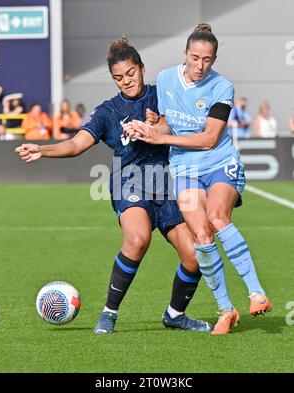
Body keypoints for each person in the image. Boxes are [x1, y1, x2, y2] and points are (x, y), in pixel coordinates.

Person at [15, 36, 213, 335]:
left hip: (169, 183)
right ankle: (109, 314)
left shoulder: (166, 95)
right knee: (137, 239)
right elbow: (76, 143)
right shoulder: (108, 111)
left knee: (195, 255)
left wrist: (160, 124)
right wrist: (43, 149)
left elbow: (191, 127)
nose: (126, 81)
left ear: (142, 69)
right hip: (129, 180)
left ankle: (175, 315)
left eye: (131, 74)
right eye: (118, 77)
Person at [124, 23, 271, 335]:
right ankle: (225, 310)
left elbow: (208, 138)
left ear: (214, 60)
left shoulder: (222, 87)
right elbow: (165, 125)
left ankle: (256, 292)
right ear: (185, 55)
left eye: (207, 59)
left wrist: (159, 140)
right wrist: (147, 130)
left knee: (217, 218)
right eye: (195, 58)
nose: (200, 65)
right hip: (184, 170)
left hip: (219, 162)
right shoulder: (165, 79)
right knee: (201, 237)